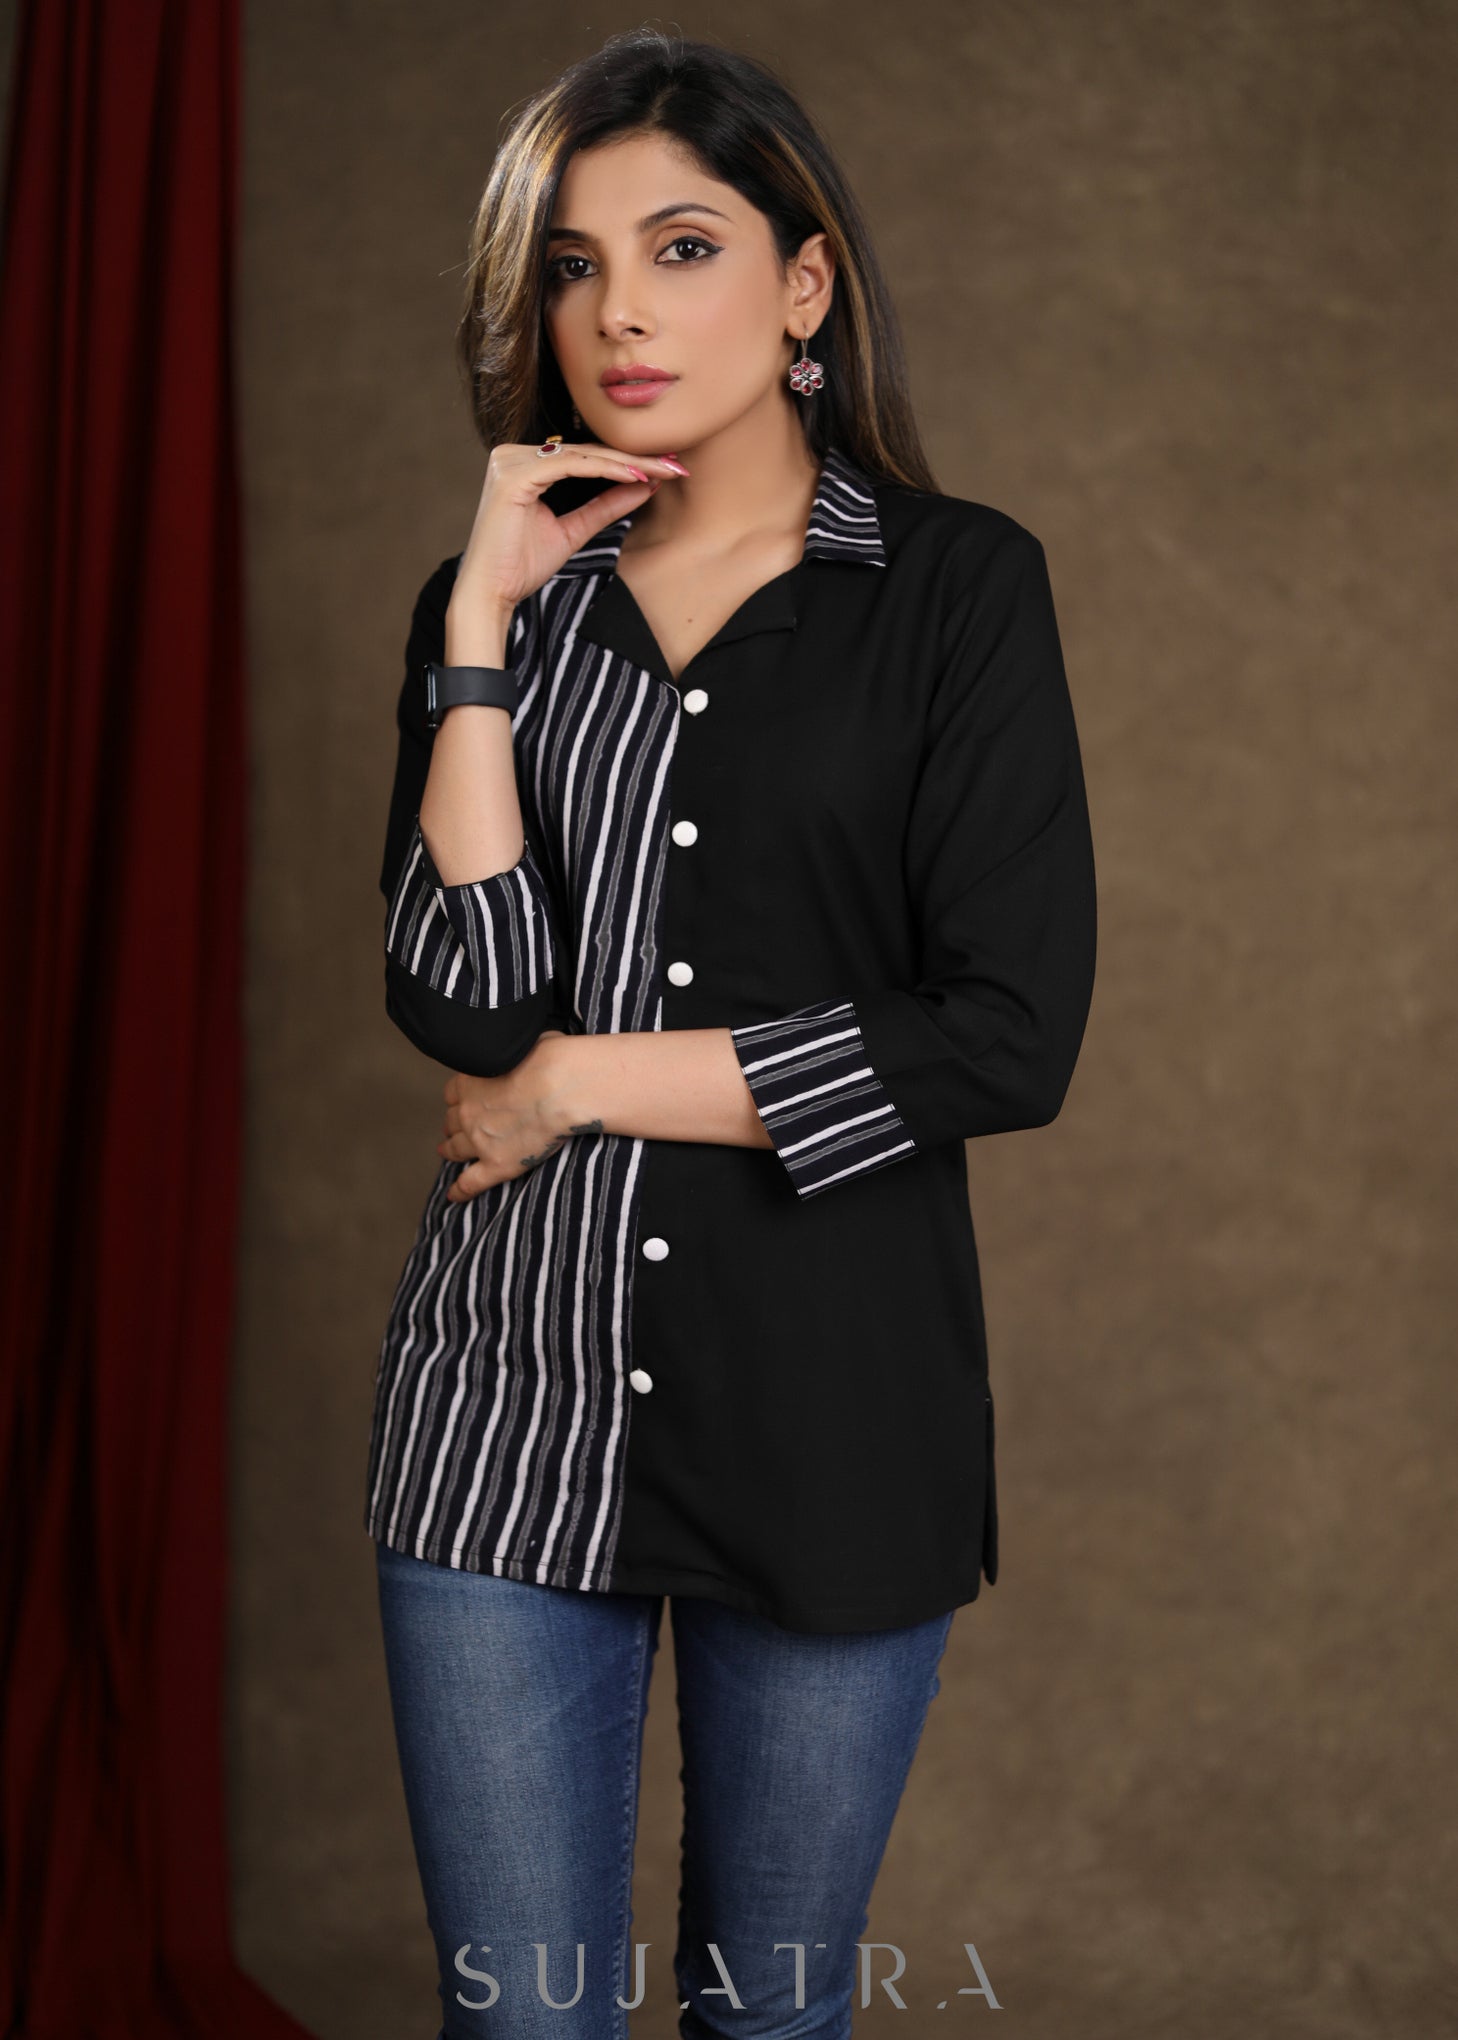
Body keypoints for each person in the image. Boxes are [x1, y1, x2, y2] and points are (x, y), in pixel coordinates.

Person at [365, 28, 1097, 2040]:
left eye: (680, 249)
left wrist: (576, 1084)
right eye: (574, 267)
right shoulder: (494, 605)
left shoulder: (956, 591)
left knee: (770, 2016)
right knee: (521, 2019)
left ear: (803, 284)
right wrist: (479, 640)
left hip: (836, 1423)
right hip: (502, 1415)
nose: (617, 311)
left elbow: (1004, 1035)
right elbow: (464, 998)